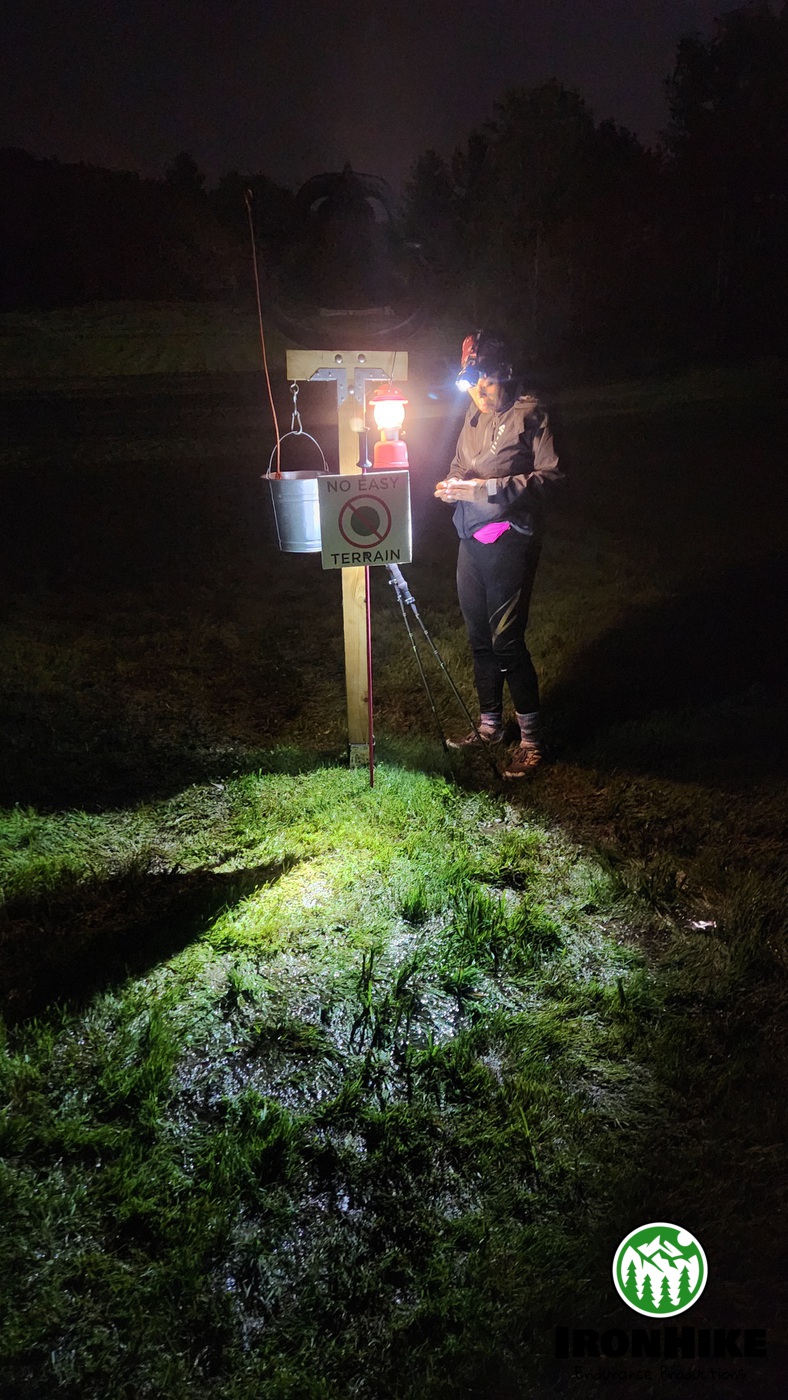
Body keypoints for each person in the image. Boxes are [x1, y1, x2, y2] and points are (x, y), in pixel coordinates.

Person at [434, 331, 564, 778]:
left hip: (510, 537)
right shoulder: (474, 411)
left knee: (507, 640)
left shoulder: (533, 413)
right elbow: (459, 465)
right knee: (479, 640)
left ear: (505, 374)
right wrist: (451, 487)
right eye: (473, 385)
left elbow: (552, 478)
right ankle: (490, 726)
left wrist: (487, 490)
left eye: (486, 383)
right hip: (470, 537)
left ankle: (532, 742)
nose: (479, 393)